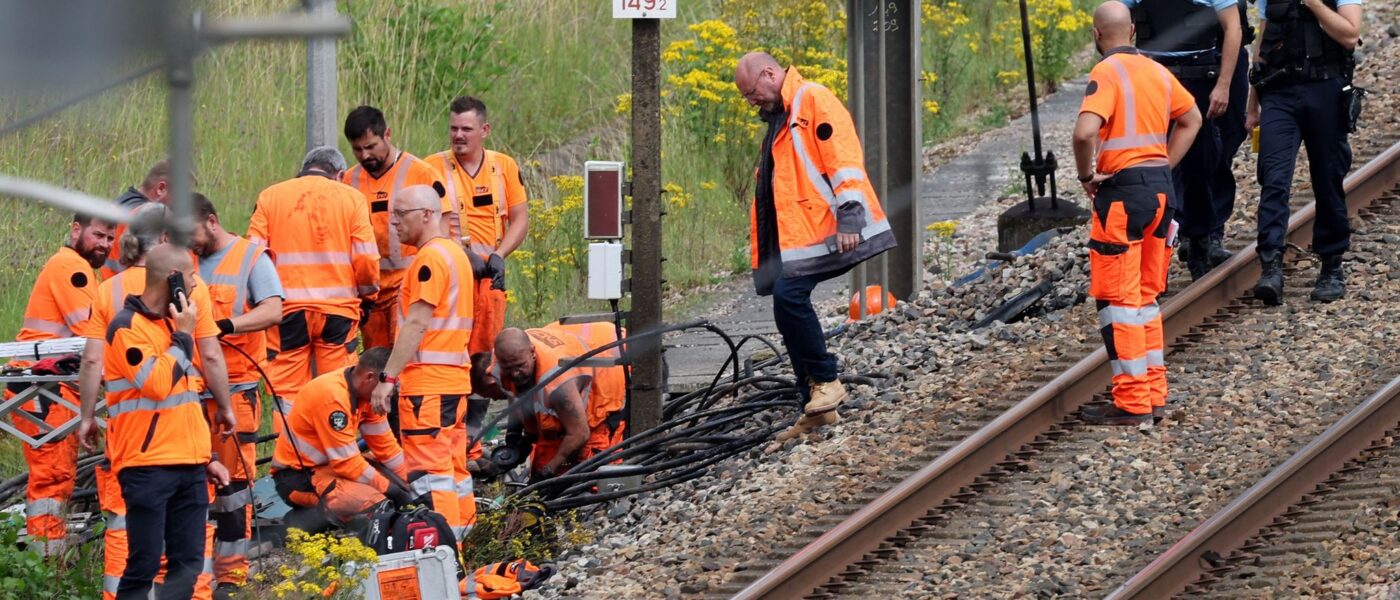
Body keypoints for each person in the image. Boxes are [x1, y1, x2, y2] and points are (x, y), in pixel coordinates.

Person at [732, 52, 896, 441]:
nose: (750, 101)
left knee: (790, 299)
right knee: (785, 304)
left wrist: (851, 215)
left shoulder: (812, 99)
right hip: (802, 236)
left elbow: (844, 159)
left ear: (770, 74)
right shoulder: (782, 116)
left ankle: (825, 381)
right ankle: (814, 401)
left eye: (751, 92)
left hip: (828, 229)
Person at [75, 207, 229, 599]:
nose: (198, 286)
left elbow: (186, 396)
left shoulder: (176, 322)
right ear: (174, 280)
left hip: (189, 463)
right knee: (144, 562)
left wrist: (207, 457)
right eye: (192, 277)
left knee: (189, 563)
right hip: (146, 466)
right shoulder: (127, 326)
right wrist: (184, 337)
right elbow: (159, 384)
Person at [1073, 1, 1203, 425]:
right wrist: (1164, 164)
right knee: (1146, 299)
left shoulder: (1105, 73)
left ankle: (1131, 404)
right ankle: (1153, 394)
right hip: (1161, 193)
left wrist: (1086, 174)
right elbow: (1192, 119)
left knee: (1119, 302)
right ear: (1132, 31)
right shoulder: (1157, 71)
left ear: (1097, 36)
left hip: (1123, 196)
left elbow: (1084, 132)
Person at [368, 184, 477, 542]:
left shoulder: (429, 259)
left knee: (431, 476)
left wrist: (387, 378)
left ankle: (443, 556)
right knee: (454, 472)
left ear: (428, 215)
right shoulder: (455, 255)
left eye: (401, 214)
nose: (393, 222)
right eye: (392, 214)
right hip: (454, 382)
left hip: (427, 388)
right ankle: (462, 547)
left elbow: (416, 323)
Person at [4, 212, 115, 555]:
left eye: (110, 239)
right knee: (51, 479)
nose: (105, 244)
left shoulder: (70, 266)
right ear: (76, 230)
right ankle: (47, 562)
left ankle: (49, 561)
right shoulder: (73, 269)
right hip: (43, 385)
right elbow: (93, 335)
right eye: (99, 235)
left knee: (55, 477)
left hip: (45, 383)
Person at [189, 194, 284, 590]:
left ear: (211, 221)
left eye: (191, 232)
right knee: (192, 484)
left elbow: (273, 310)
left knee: (232, 491)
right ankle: (196, 574)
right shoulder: (184, 259)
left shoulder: (251, 257)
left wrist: (227, 325)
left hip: (237, 390)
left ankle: (230, 578)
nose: (187, 242)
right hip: (190, 394)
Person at [248, 147, 380, 431]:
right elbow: (367, 259)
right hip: (338, 312)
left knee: (287, 390)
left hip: (285, 313)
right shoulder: (352, 198)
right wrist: (368, 296)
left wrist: (261, 303)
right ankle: (335, 452)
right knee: (336, 385)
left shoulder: (271, 196)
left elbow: (253, 256)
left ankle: (290, 458)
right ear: (340, 175)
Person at [1247, 0, 1363, 304]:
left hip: (1325, 88)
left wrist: (1314, 4)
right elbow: (1262, 47)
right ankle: (1271, 266)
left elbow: (1350, 35)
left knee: (1327, 179)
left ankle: (1331, 265)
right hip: (1279, 93)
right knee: (1274, 178)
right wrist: (1252, 104)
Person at [1123, 0, 1248, 279]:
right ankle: (1157, 252)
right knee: (1150, 167)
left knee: (1200, 164)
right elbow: (1114, 22)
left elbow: (1233, 29)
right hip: (1151, 75)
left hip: (1198, 74)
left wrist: (1223, 85)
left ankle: (1201, 239)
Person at [425, 96, 529, 358]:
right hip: (450, 276)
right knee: (449, 349)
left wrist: (499, 255)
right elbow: (427, 226)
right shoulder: (431, 167)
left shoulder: (504, 166)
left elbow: (520, 219)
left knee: (485, 354)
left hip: (489, 276)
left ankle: (479, 400)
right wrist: (458, 255)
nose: (458, 135)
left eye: (466, 129)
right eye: (453, 128)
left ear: (485, 130)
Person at [340, 106, 447, 350]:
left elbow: (443, 230)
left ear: (387, 134)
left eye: (371, 146)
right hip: (371, 294)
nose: (365, 155)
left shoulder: (420, 172)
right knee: (375, 365)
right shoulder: (348, 181)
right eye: (357, 149)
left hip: (407, 287)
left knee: (406, 358)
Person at [270, 347, 412, 523]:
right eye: (390, 384)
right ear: (370, 377)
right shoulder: (332, 396)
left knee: (395, 486)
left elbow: (387, 448)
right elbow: (347, 464)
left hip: (330, 468)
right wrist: (393, 491)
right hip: (297, 477)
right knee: (375, 501)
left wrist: (411, 483)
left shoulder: (370, 395)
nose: (391, 391)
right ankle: (300, 522)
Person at [487, 323, 626, 482]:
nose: (515, 373)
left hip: (602, 390)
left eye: (519, 366)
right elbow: (516, 398)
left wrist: (548, 470)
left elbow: (580, 434)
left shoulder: (558, 384)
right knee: (541, 479)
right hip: (569, 346)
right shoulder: (504, 359)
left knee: (587, 483)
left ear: (532, 352)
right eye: (509, 368)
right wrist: (514, 440)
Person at [101, 159, 174, 279]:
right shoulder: (144, 217)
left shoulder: (119, 204)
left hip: (108, 288)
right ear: (161, 188)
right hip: (131, 290)